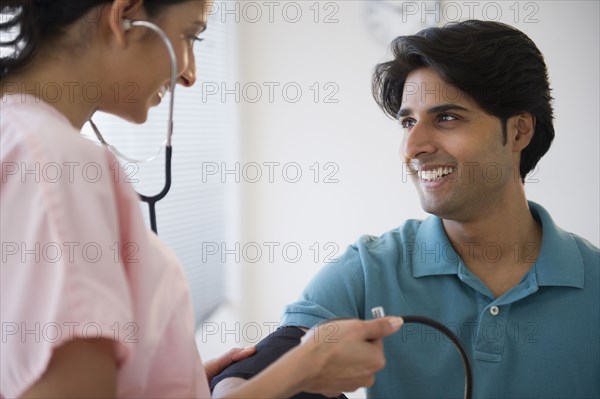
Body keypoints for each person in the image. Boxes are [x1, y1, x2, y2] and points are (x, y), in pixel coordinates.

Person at [0, 1, 405, 398]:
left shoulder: (20, 142)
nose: (190, 74)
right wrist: (301, 370)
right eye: (189, 36)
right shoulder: (58, 163)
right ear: (125, 16)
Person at [211, 20, 600, 398]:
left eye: (446, 118)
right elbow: (247, 374)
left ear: (519, 131)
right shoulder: (369, 269)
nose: (412, 148)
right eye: (408, 122)